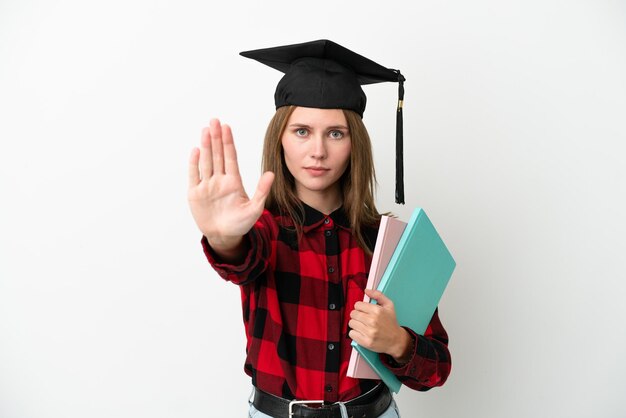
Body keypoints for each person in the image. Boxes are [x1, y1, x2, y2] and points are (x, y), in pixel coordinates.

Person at [188, 40, 451, 418]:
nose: (317, 151)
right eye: (301, 131)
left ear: (354, 144)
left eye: (335, 133)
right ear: (279, 138)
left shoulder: (388, 243)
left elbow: (437, 367)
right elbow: (239, 260)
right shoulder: (262, 231)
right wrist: (223, 237)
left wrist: (398, 343)